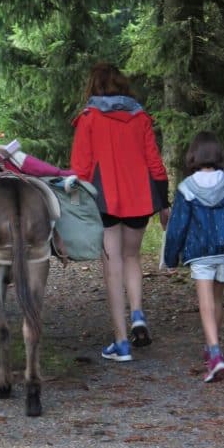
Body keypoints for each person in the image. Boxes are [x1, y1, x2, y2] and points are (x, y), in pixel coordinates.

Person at [70, 62, 170, 362]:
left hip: (104, 200)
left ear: (94, 87)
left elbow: (81, 167)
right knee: (131, 257)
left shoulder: (88, 119)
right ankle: (138, 313)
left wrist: (75, 205)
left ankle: (121, 341)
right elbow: (155, 163)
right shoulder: (140, 118)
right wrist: (164, 204)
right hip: (140, 198)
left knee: (112, 265)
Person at [162, 131, 224, 382]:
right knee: (217, 299)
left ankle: (215, 354)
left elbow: (177, 227)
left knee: (205, 301)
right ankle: (211, 345)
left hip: (200, 252)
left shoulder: (186, 188)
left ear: (193, 155)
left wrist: (171, 259)